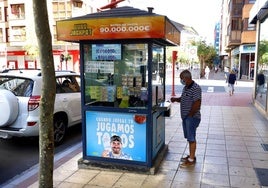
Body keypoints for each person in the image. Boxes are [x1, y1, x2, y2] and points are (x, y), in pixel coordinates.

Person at [170, 69, 202, 167]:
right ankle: (191, 155)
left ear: (186, 78)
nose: (181, 81)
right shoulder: (186, 87)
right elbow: (184, 99)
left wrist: (190, 115)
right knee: (189, 137)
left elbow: (197, 103)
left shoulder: (196, 88)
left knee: (191, 138)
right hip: (186, 118)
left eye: (181, 79)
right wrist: (176, 99)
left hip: (192, 118)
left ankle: (191, 159)